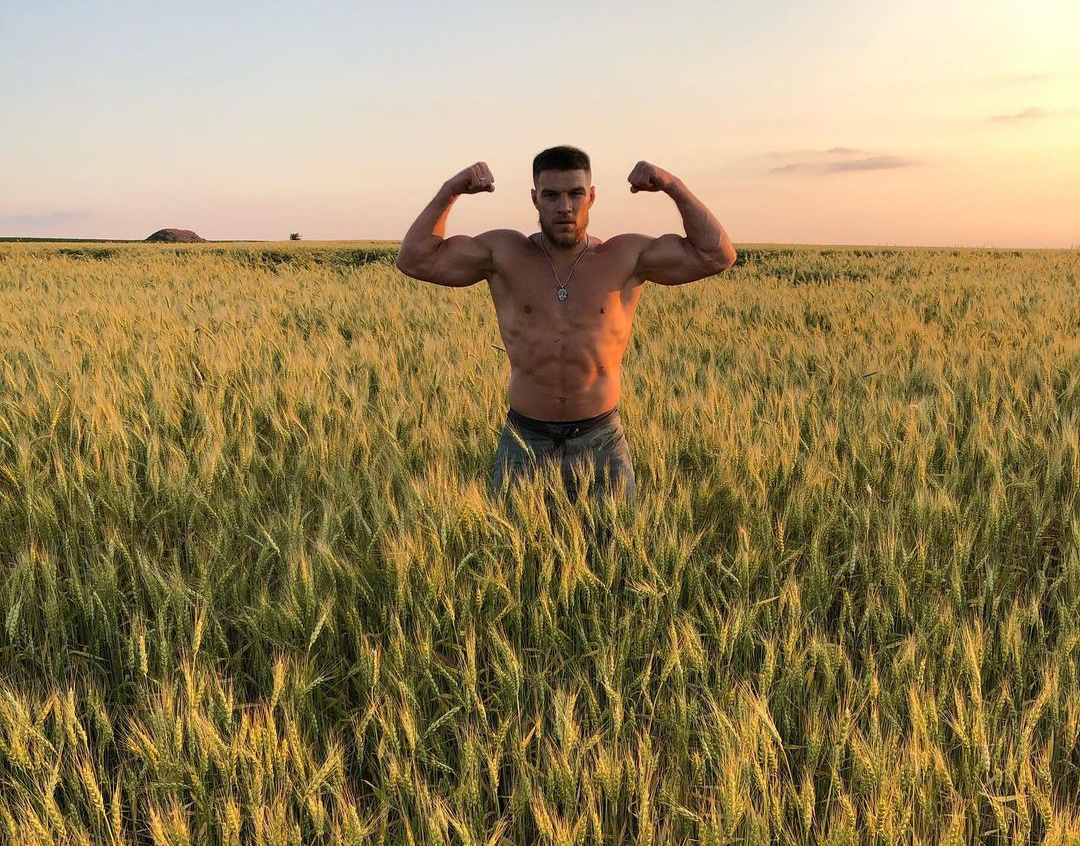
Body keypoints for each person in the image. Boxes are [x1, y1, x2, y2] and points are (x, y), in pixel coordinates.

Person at [395, 145, 736, 504]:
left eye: (575, 194)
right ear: (535, 198)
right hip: (525, 442)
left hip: (601, 441)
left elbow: (716, 255)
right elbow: (415, 260)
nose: (564, 207)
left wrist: (672, 184)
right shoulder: (505, 253)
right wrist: (451, 189)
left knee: (613, 539)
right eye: (551, 195)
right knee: (516, 540)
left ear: (591, 197)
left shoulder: (624, 256)